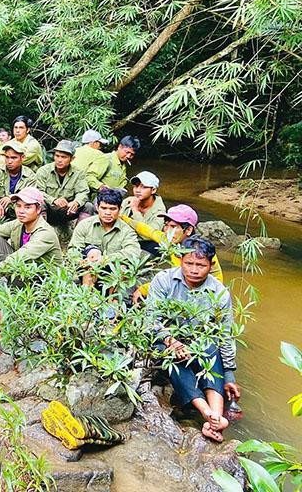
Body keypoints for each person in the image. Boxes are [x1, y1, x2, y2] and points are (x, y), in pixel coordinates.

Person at [146, 236, 240, 442]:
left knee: (211, 347)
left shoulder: (219, 292)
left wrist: (230, 374)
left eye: (201, 265)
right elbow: (151, 321)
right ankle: (206, 412)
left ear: (211, 265)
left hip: (200, 342)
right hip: (167, 340)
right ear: (180, 260)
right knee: (174, 358)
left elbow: (224, 335)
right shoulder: (164, 280)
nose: (194, 270)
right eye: (189, 263)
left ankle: (216, 416)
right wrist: (172, 341)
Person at [0, 187, 62, 333]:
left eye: (27, 207)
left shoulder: (45, 233)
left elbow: (18, 258)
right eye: (18, 206)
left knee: (19, 266)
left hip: (43, 281)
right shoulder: (19, 224)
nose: (21, 210)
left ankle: (3, 314)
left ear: (38, 210)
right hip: (23, 269)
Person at [123, 204, 224, 301]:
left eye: (173, 227)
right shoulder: (170, 240)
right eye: (166, 226)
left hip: (200, 295)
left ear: (188, 230)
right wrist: (122, 218)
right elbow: (147, 230)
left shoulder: (202, 252)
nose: (167, 231)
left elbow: (218, 282)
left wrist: (144, 289)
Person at [68, 188, 141, 287]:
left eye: (112, 209)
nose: (107, 213)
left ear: (120, 209)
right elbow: (73, 249)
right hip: (87, 270)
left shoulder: (126, 230)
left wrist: (105, 260)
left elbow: (133, 252)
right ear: (97, 207)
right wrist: (82, 261)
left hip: (111, 271)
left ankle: (114, 300)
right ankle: (86, 296)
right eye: (104, 208)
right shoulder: (85, 225)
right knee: (90, 264)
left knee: (121, 267)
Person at [0, 140, 37, 228]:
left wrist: (12, 197)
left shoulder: (30, 175)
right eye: (7, 157)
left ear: (22, 158)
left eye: (14, 158)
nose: (9, 161)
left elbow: (31, 194)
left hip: (18, 211)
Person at [33, 140, 90, 229]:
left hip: (68, 211)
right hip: (50, 210)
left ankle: (79, 235)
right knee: (39, 203)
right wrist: (53, 200)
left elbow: (83, 192)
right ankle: (41, 231)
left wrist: (76, 202)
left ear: (72, 159)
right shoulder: (44, 171)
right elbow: (37, 192)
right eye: (57, 156)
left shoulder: (78, 173)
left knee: (88, 206)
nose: (59, 160)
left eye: (64, 157)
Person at [121, 171, 166, 252]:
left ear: (153, 190)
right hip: (125, 240)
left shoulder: (160, 211)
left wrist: (135, 210)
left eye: (143, 187)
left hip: (144, 245)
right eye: (136, 186)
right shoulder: (127, 201)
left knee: (155, 246)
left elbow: (149, 235)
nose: (138, 190)